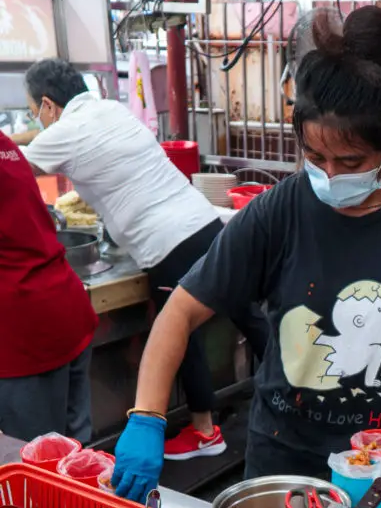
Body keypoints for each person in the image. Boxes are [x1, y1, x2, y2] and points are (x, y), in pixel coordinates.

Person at [112, 6, 381, 503]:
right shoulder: (276, 212)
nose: (330, 174)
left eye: (350, 161)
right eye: (315, 157)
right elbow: (180, 311)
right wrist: (147, 416)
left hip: (379, 459)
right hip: (280, 454)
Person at [12, 58, 260, 461]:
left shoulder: (64, 133)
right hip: (205, 224)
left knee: (182, 334)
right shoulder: (109, 108)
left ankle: (204, 432)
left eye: (32, 112)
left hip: (167, 244)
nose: (34, 121)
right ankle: (298, 400)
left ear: (48, 105)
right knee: (249, 314)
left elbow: (14, 169)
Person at [0, 131, 98, 442]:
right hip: (63, 306)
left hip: (23, 331)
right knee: (74, 457)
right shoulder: (5, 145)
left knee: (36, 471)